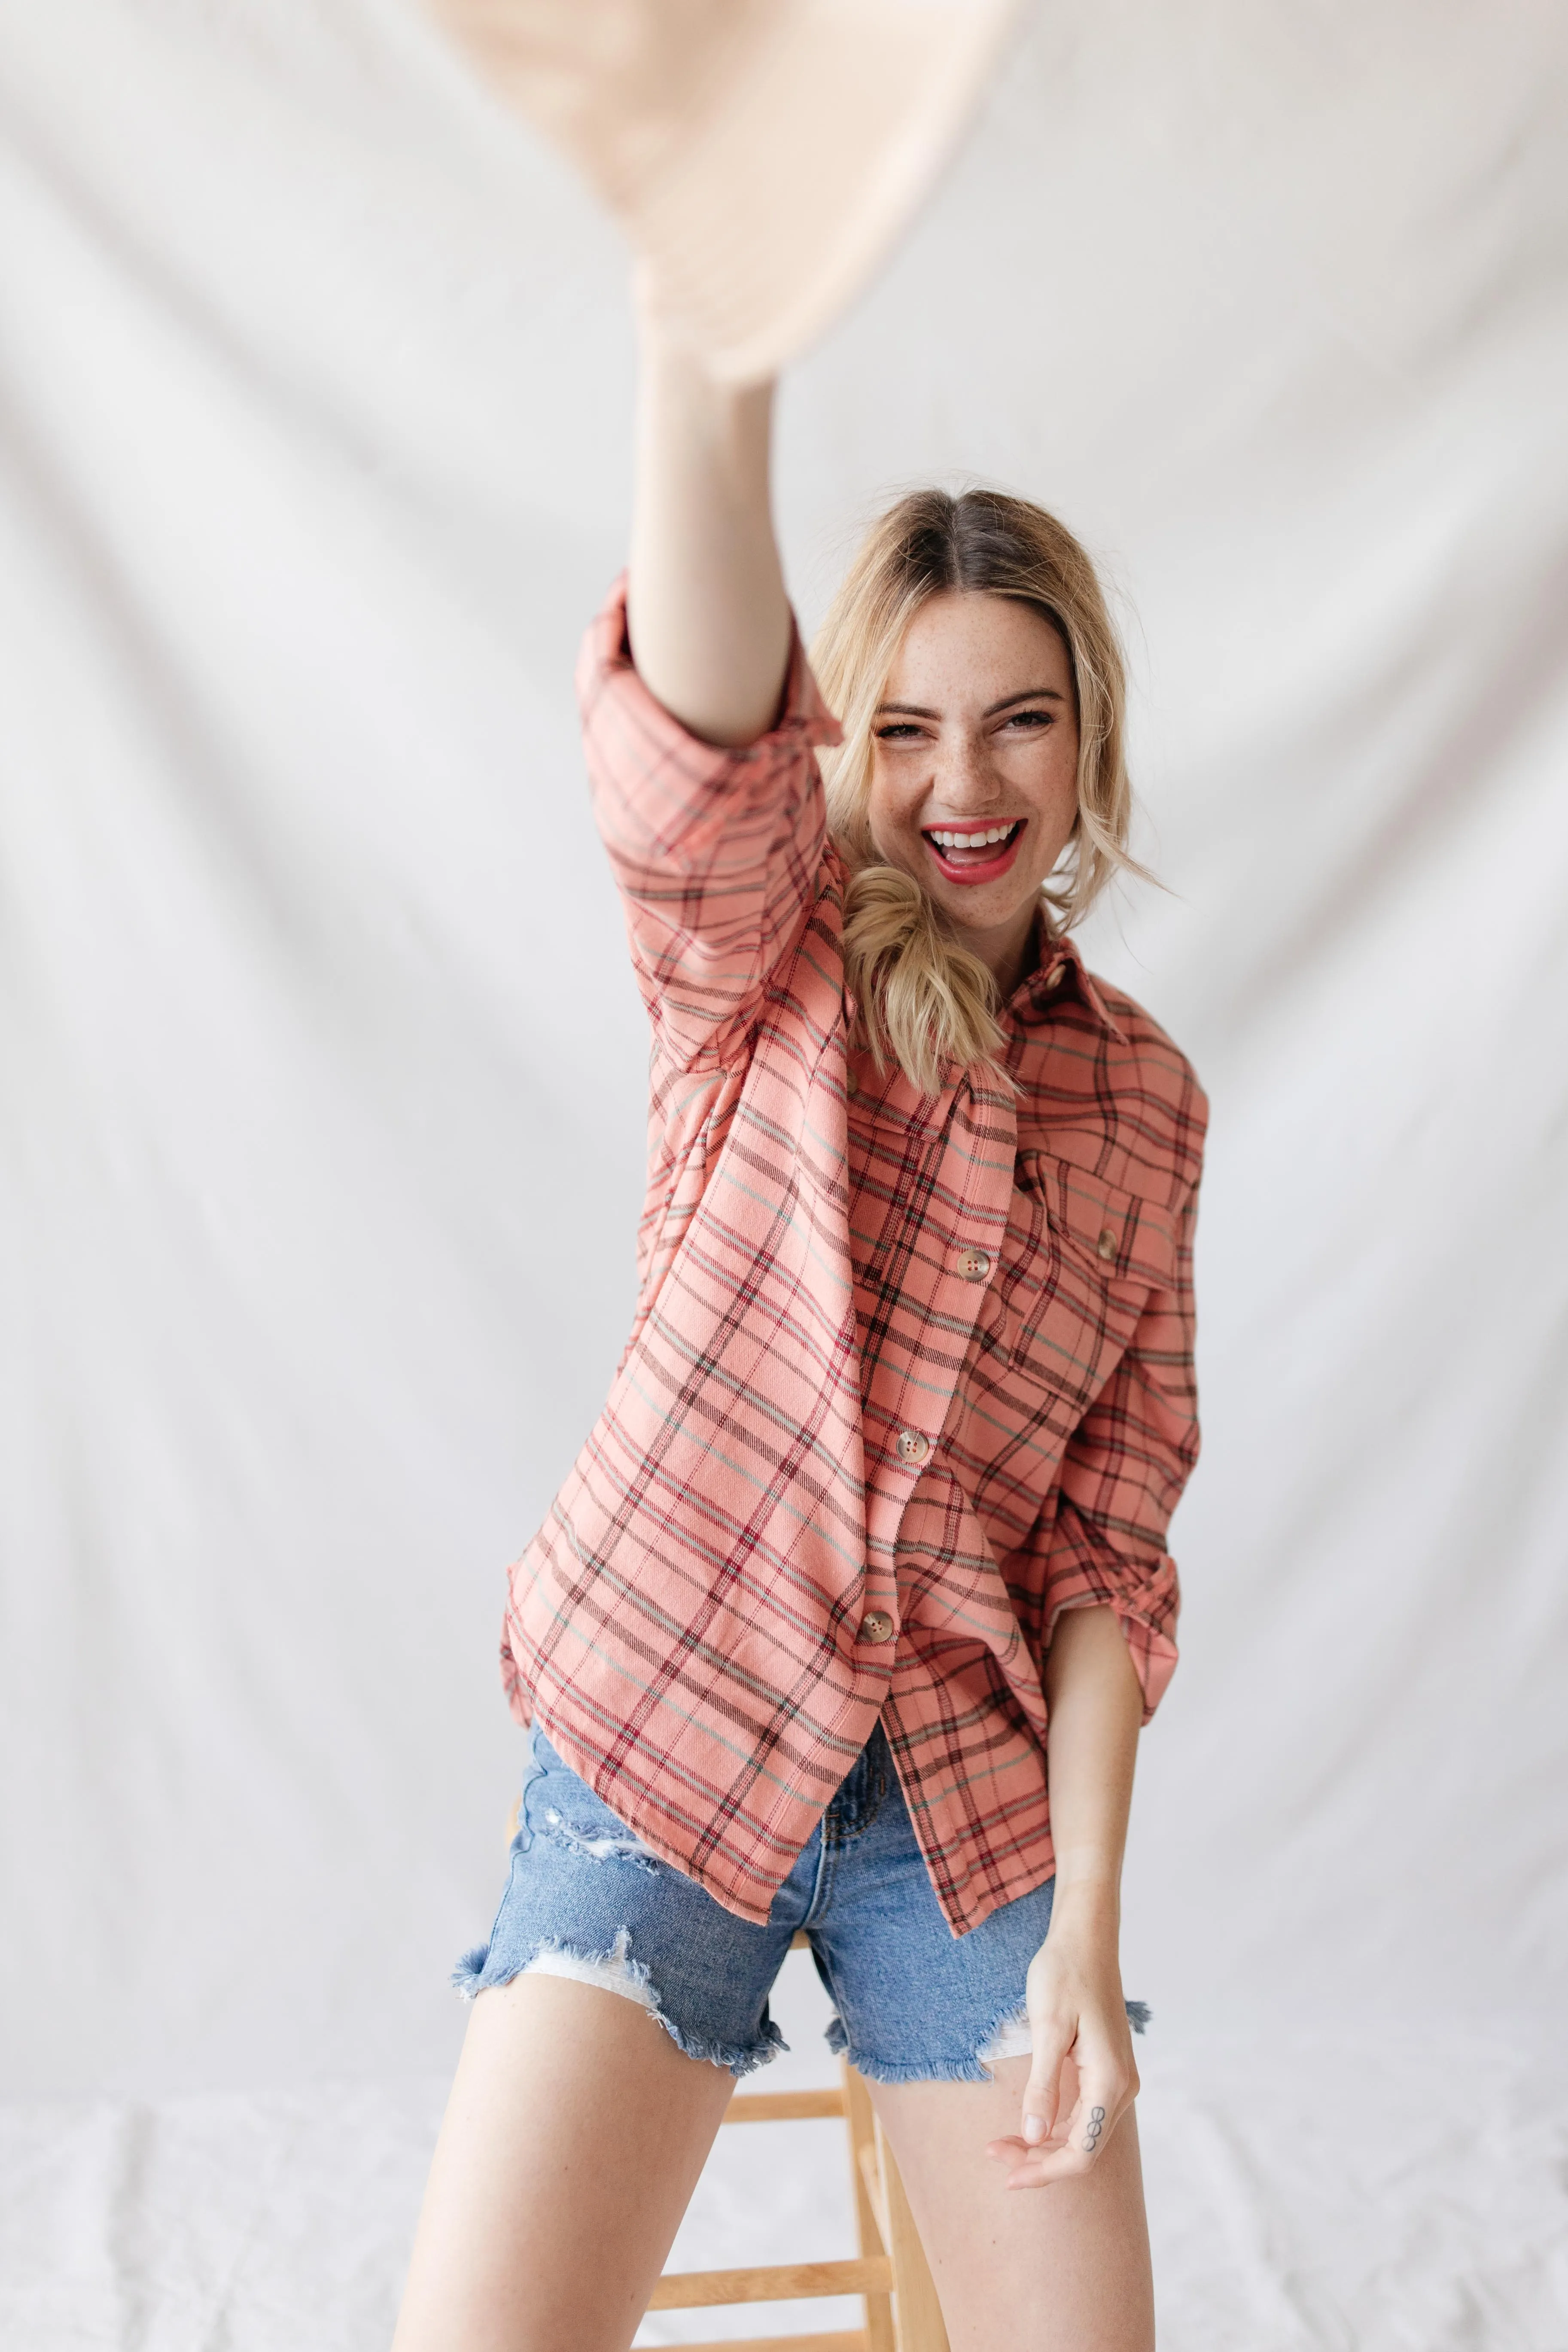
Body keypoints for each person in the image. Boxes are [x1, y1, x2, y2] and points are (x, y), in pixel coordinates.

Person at [392, 281, 1206, 2352]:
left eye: (1020, 716)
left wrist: (1080, 1944)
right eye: (909, 722)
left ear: (1087, 733)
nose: (966, 781)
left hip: (957, 1797)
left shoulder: (1145, 1102)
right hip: (669, 1728)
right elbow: (693, 744)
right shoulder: (766, 962)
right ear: (852, 742)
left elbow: (1110, 1552)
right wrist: (708, 351)